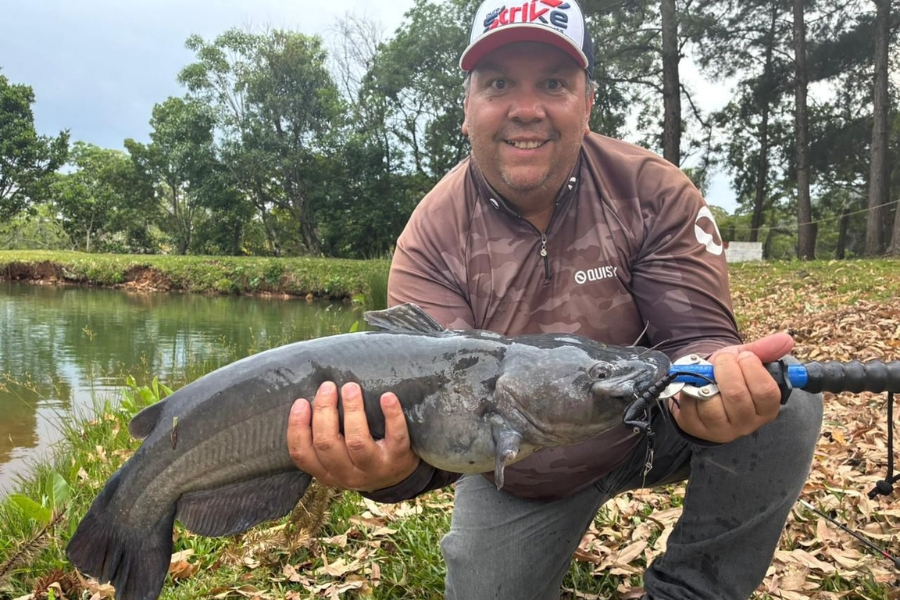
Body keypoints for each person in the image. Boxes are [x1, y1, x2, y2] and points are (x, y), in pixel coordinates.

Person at [285, 0, 824, 597]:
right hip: (518, 467)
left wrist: (715, 394)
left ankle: (691, 589)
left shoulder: (652, 191)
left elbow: (695, 336)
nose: (526, 109)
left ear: (587, 103)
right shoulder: (431, 237)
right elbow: (440, 427)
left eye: (553, 83)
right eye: (498, 84)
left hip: (644, 412)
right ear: (467, 109)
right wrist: (389, 476)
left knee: (783, 395)